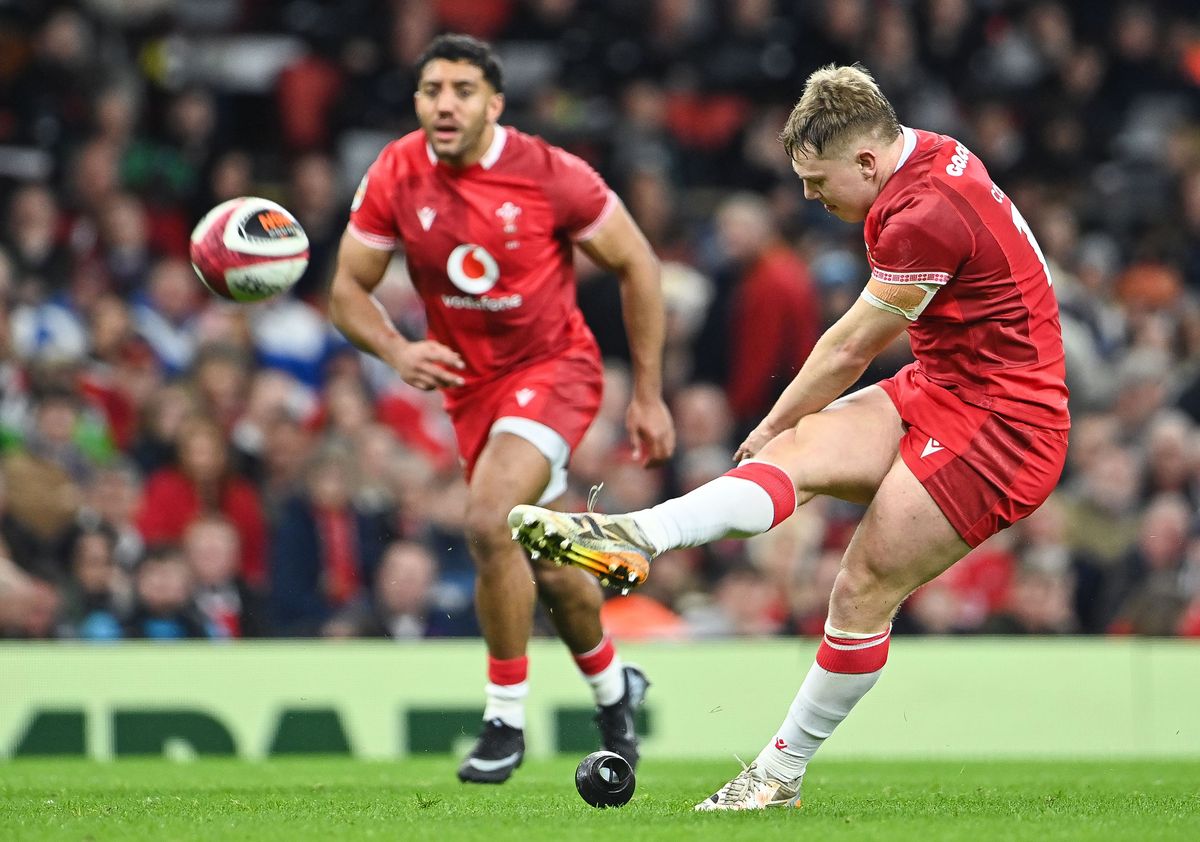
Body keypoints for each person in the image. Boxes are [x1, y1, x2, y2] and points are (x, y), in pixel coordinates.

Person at [510, 64, 1069, 809]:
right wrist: (783, 432)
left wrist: (773, 416)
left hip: (1007, 427)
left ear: (867, 161)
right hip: (943, 386)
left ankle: (778, 774)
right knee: (794, 457)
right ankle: (633, 535)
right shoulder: (923, 157)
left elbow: (848, 349)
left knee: (861, 586)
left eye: (817, 179)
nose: (810, 196)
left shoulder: (925, 212)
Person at [328, 34, 675, 783]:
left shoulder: (551, 174)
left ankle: (503, 723)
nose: (443, 103)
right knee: (548, 564)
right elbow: (346, 290)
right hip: (470, 391)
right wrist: (395, 351)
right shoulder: (395, 171)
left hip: (554, 371)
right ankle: (617, 694)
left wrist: (647, 393)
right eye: (430, 90)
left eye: (460, 89)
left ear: (495, 103)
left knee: (487, 519)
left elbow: (638, 263)